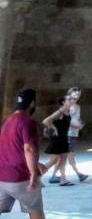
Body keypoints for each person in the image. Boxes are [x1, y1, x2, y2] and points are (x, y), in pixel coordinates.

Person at [0, 89, 45, 219]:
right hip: (21, 177)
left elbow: (11, 146)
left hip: (2, 176)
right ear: (32, 103)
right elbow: (29, 149)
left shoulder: (6, 121)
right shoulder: (27, 121)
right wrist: (33, 173)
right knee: (36, 211)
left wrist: (36, 163)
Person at [39, 98, 71, 185]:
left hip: (63, 138)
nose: (71, 101)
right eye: (69, 100)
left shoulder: (68, 112)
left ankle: (63, 179)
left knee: (62, 160)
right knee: (54, 160)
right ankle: (36, 177)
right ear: (64, 102)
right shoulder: (60, 112)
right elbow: (46, 121)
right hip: (58, 139)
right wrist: (54, 128)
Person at [62, 89, 88, 184]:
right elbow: (66, 119)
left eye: (78, 92)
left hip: (73, 133)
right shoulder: (68, 105)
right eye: (75, 92)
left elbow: (75, 118)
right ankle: (78, 174)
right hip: (68, 133)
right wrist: (76, 125)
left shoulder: (77, 106)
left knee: (60, 158)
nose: (77, 94)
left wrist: (80, 123)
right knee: (69, 156)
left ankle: (54, 176)